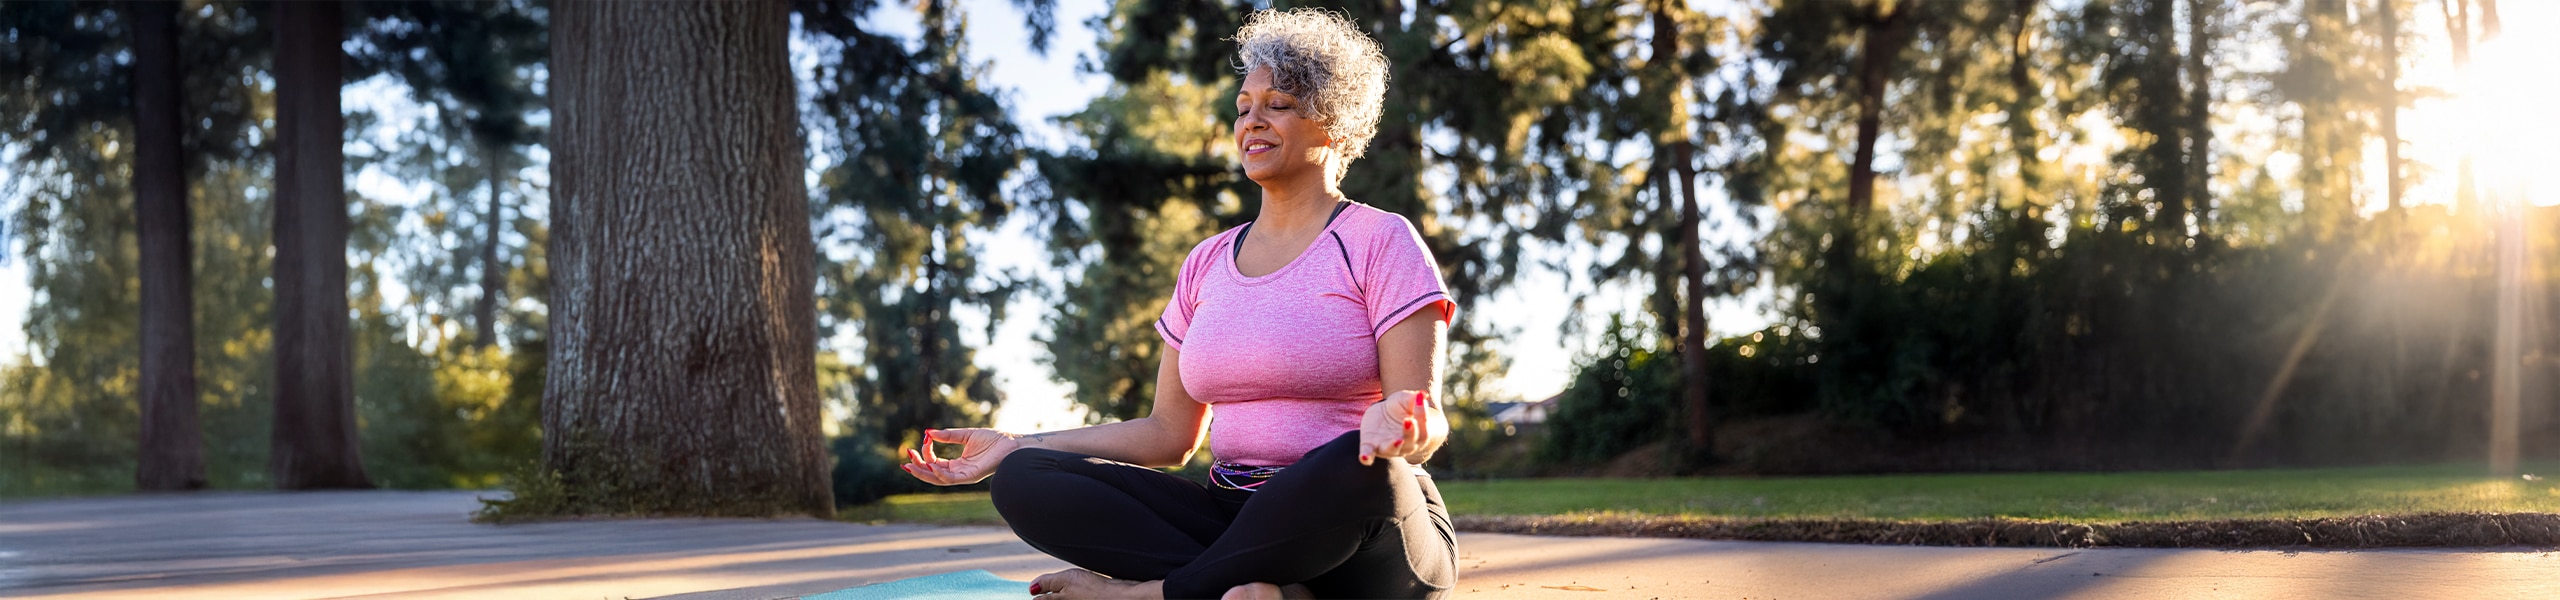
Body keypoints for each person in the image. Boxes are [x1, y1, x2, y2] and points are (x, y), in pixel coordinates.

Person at [898, 8, 1458, 600]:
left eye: (1278, 104)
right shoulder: (1206, 263)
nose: (1252, 122)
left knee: (1361, 469)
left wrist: (1400, 429)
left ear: (1333, 125)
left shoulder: (1380, 240)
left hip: (1366, 528)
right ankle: (1263, 589)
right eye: (1244, 107)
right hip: (1233, 516)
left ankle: (1145, 595)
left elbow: (1424, 420)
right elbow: (1168, 434)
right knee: (1025, 479)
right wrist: (1018, 444)